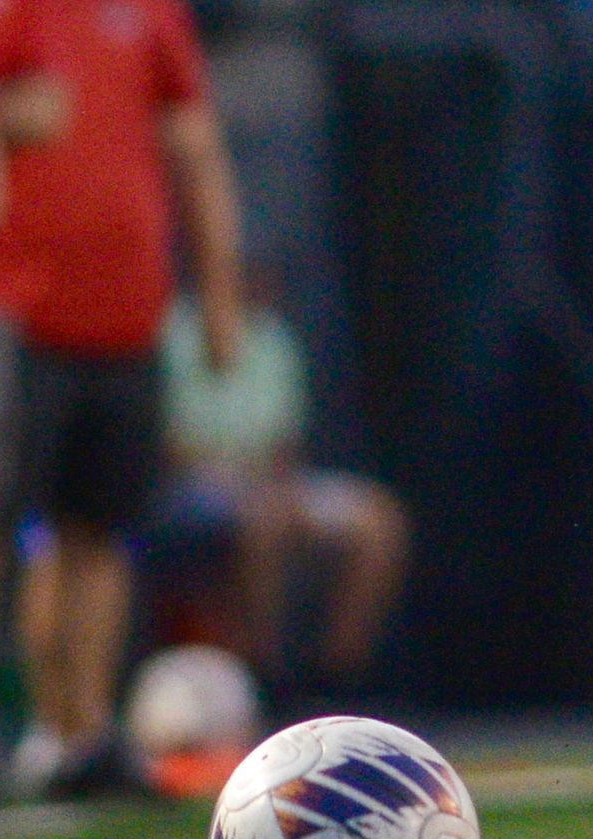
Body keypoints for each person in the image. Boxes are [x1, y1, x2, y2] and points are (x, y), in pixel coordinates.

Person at [0, 0, 242, 796]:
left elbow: (195, 148)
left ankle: (88, 729)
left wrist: (215, 292)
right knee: (2, 528)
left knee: (102, 527)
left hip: (125, 304)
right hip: (7, 303)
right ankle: (13, 725)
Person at [152, 278, 405, 701]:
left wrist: (278, 482)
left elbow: (287, 441)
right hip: (195, 481)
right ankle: (271, 681)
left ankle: (338, 680)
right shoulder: (173, 333)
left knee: (379, 520)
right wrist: (240, 474)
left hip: (273, 480)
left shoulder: (273, 339)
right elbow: (166, 442)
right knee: (265, 518)